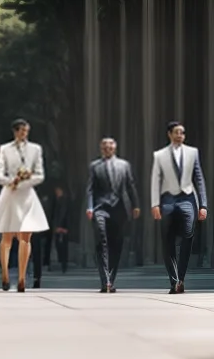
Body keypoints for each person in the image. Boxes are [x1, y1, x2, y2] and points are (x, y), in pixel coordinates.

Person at [0, 118, 48, 292]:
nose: (24, 134)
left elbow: (39, 174)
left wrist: (23, 182)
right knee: (7, 237)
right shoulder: (5, 149)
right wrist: (11, 181)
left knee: (26, 237)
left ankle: (22, 277)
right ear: (15, 131)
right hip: (10, 194)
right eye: (21, 131)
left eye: (26, 131)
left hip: (27, 195)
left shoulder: (35, 149)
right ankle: (5, 274)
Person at [150, 121, 207, 294]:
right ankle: (174, 280)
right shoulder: (160, 155)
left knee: (188, 235)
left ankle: (180, 278)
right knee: (167, 241)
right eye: (177, 132)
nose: (180, 135)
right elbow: (155, 180)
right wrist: (155, 204)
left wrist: (203, 204)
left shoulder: (192, 152)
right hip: (168, 200)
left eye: (182, 132)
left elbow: (199, 179)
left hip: (187, 198)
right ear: (169, 134)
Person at [86, 138, 140, 293]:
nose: (107, 148)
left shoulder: (124, 165)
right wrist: (90, 207)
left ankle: (111, 279)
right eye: (104, 146)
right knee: (101, 241)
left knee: (116, 245)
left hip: (120, 209)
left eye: (110, 146)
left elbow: (130, 185)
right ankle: (105, 281)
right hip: (100, 208)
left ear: (115, 148)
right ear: (101, 148)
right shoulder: (94, 166)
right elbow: (90, 189)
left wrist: (135, 205)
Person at [50, 185, 72, 274]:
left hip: (62, 227)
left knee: (62, 246)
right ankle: (63, 265)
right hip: (61, 227)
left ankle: (63, 265)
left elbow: (62, 215)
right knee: (60, 246)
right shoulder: (58, 201)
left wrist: (60, 227)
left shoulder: (63, 201)